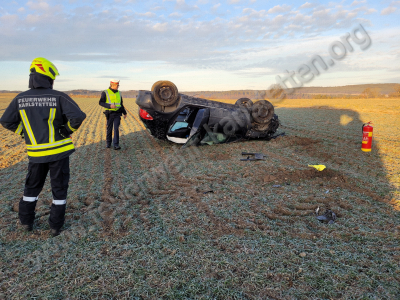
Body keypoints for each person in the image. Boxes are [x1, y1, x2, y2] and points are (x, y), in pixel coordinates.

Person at [0, 57, 86, 237]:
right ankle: (55, 226)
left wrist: (25, 133)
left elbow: (6, 121)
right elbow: (77, 117)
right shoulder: (59, 96)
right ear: (48, 77)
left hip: (36, 154)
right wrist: (65, 130)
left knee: (31, 188)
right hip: (59, 153)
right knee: (59, 189)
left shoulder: (20, 98)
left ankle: (26, 222)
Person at [98, 79, 127, 150]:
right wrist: (109, 106)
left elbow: (121, 104)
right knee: (109, 128)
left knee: (116, 129)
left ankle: (116, 145)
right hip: (109, 114)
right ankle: (108, 143)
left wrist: (124, 112)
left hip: (117, 113)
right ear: (112, 85)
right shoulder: (105, 92)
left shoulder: (119, 93)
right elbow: (101, 102)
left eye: (118, 85)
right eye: (117, 85)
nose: (118, 86)